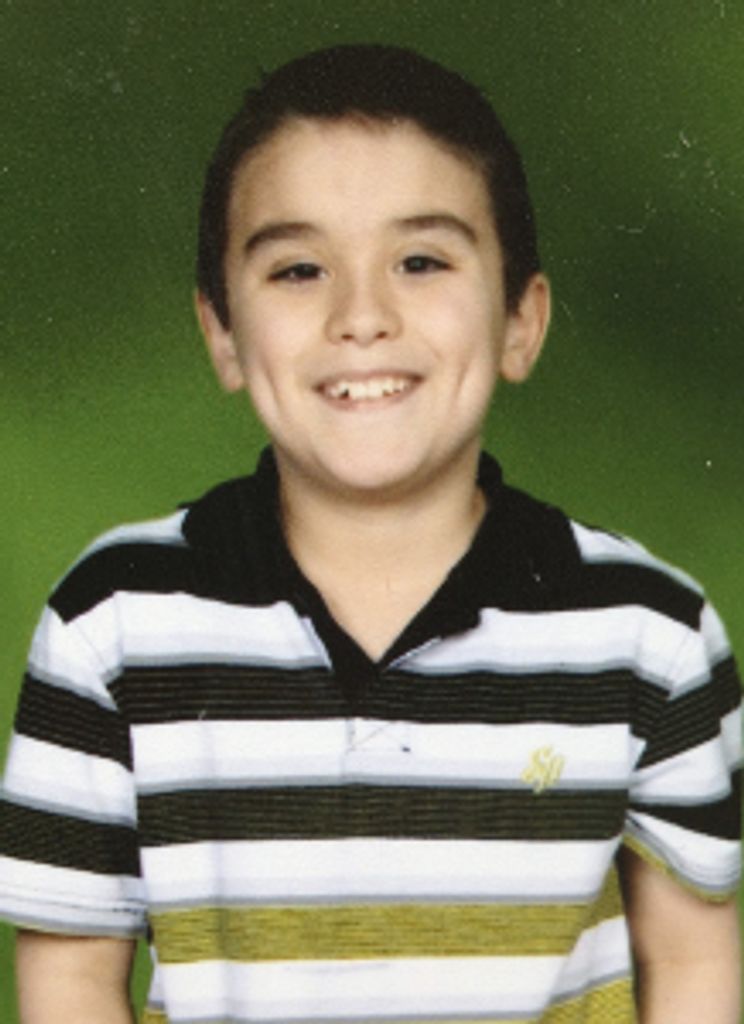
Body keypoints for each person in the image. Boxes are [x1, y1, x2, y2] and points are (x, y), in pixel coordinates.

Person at [0, 43, 740, 1024]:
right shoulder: (113, 623)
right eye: (299, 268)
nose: (361, 317)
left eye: (421, 261)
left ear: (521, 321)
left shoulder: (649, 633)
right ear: (222, 332)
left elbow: (691, 964)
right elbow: (71, 983)